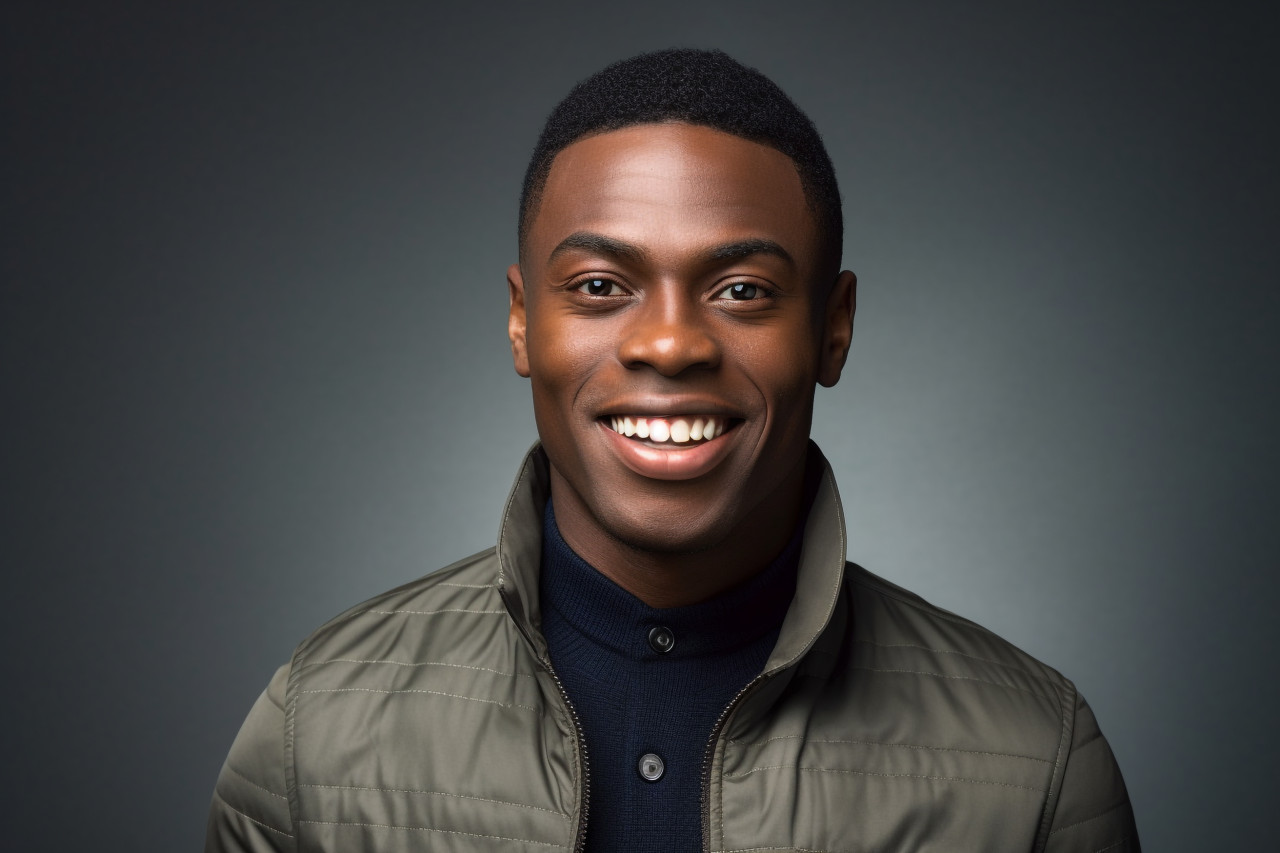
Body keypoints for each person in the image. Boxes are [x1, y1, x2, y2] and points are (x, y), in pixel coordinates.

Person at [206, 49, 1139, 853]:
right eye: (602, 283)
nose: (669, 342)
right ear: (522, 321)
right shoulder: (314, 734)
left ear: (834, 328)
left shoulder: (1035, 766)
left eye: (740, 290)